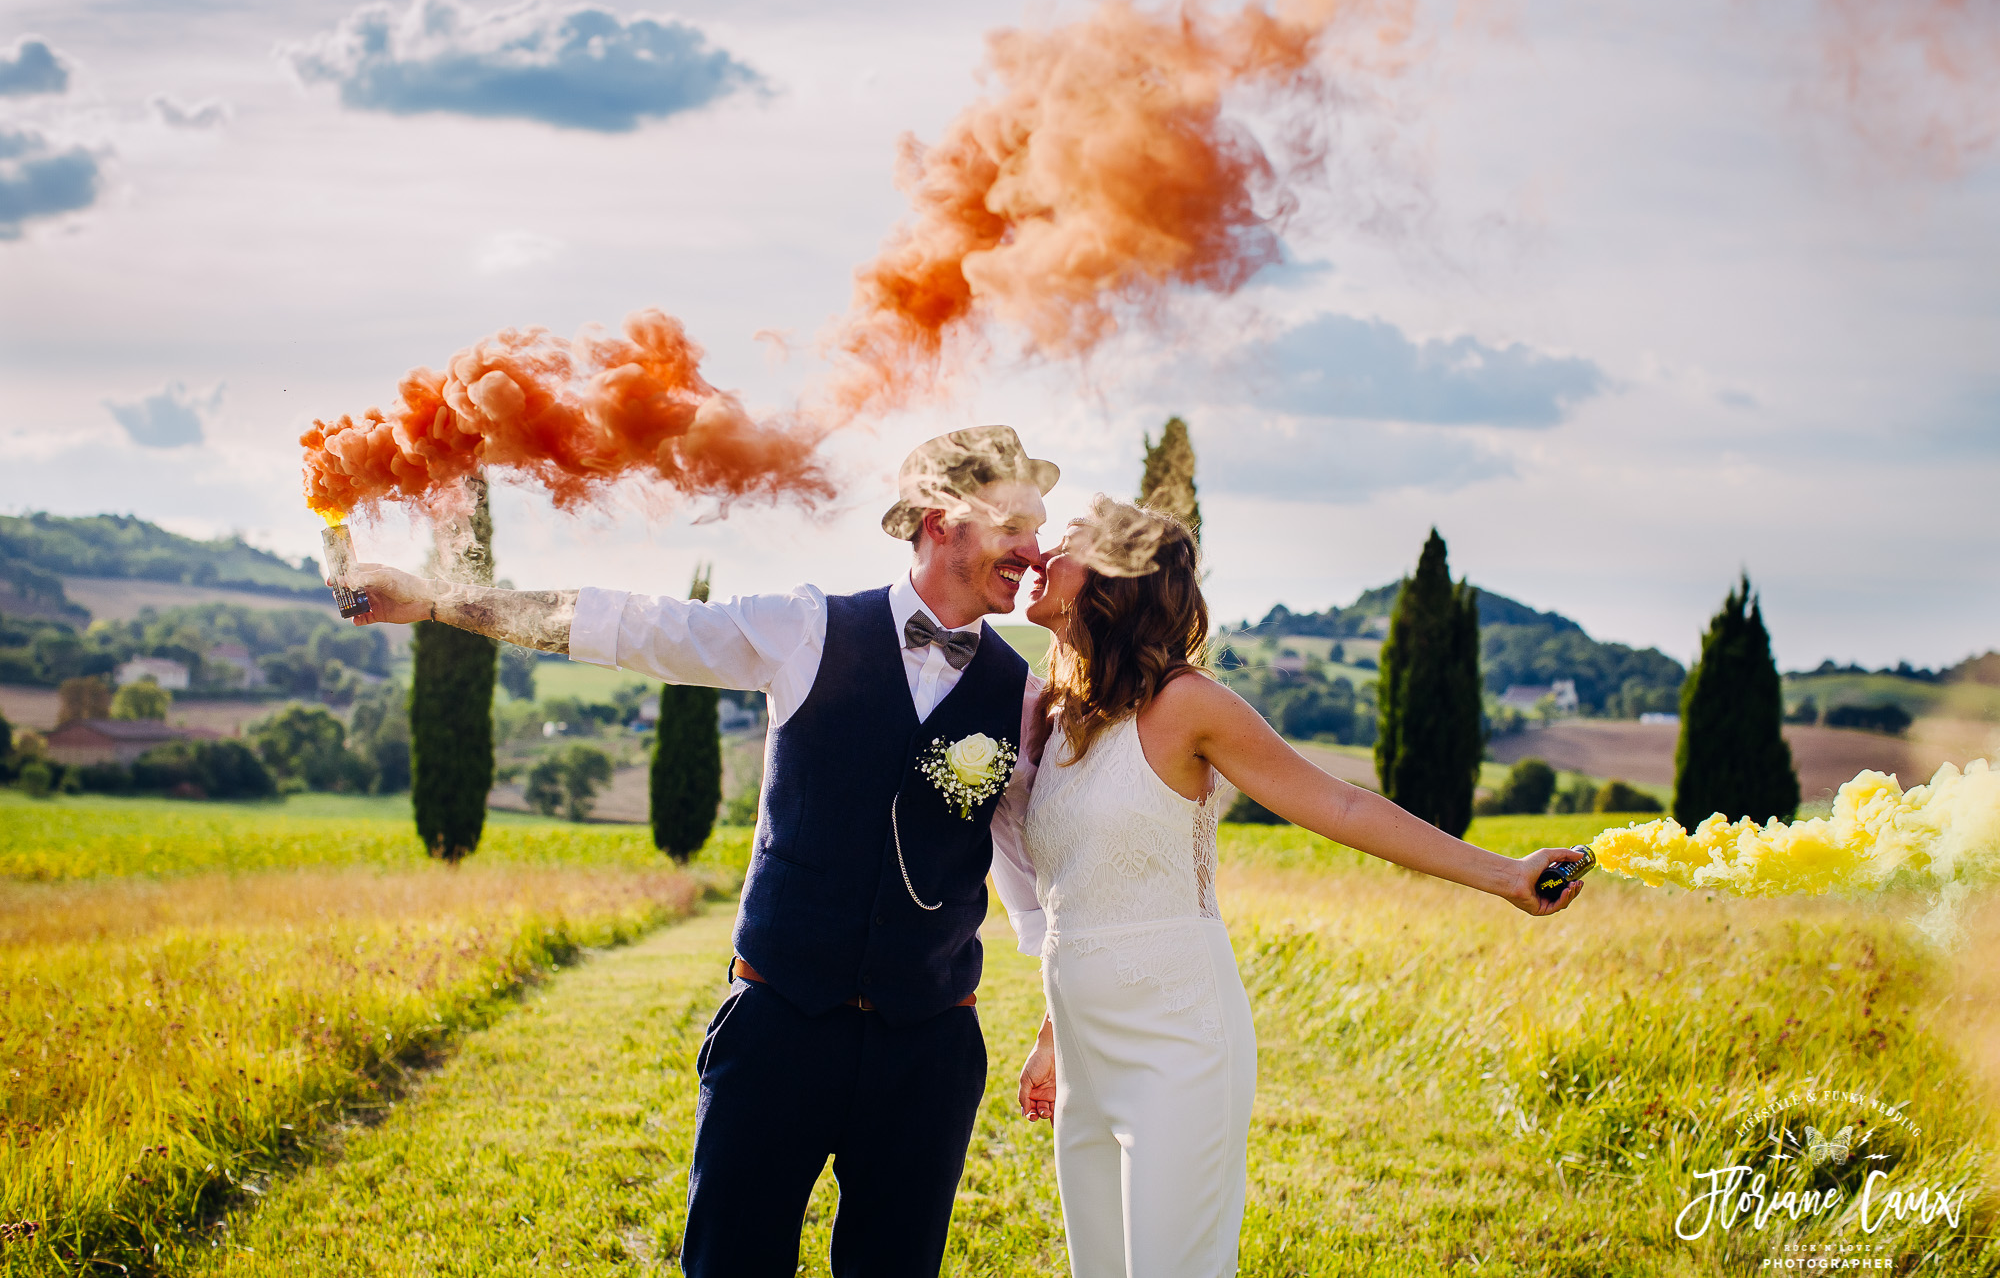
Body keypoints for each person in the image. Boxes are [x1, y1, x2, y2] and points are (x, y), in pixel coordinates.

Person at [342, 425, 1058, 1278]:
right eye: (1017, 522)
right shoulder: (805, 628)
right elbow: (633, 627)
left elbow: (1036, 880)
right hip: (779, 1026)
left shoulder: (1022, 693)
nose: (1035, 548)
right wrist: (436, 600)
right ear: (943, 519)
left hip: (929, 1048)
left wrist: (1057, 1021)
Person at [1005, 495, 1583, 1278]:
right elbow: (1082, 886)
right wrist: (1051, 1033)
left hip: (1177, 1042)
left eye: (1063, 544)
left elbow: (1342, 804)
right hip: (1082, 1054)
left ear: (1118, 576)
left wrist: (1505, 874)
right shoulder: (1058, 717)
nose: (1038, 554)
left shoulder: (1185, 705)